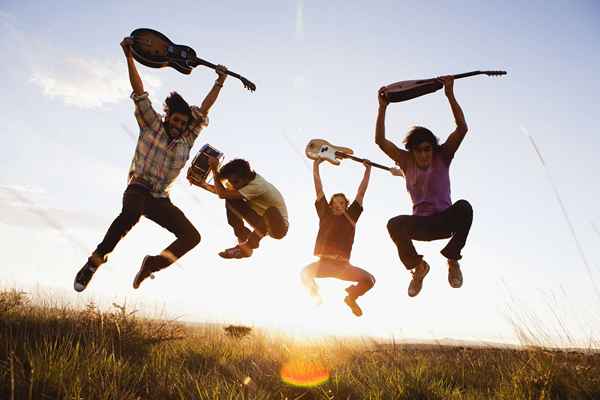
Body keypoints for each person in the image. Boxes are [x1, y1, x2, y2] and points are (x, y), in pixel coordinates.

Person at [73, 37, 229, 292]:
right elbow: (139, 91)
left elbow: (205, 108)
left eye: (182, 124)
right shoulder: (152, 124)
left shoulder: (187, 139)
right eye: (176, 121)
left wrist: (220, 81)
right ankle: (93, 262)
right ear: (168, 118)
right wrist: (129, 56)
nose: (179, 127)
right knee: (130, 215)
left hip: (160, 199)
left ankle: (152, 265)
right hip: (138, 189)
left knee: (192, 237)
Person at [375, 75, 473, 297]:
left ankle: (452, 258)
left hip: (444, 221)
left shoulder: (443, 156)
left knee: (464, 207)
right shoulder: (405, 161)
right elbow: (380, 142)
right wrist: (382, 108)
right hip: (420, 225)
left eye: (428, 149)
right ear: (412, 151)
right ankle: (418, 267)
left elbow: (462, 128)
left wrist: (449, 94)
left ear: (433, 149)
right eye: (418, 150)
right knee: (394, 224)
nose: (424, 154)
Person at [300, 159, 375, 317]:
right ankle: (316, 297)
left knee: (370, 280)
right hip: (324, 264)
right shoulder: (324, 214)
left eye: (342, 203)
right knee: (304, 273)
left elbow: (361, 193)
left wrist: (368, 170)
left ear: (346, 205)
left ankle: (351, 297)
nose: (339, 205)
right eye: (335, 202)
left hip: (343, 267)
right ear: (330, 205)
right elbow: (318, 189)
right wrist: (315, 165)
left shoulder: (351, 216)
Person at [189, 157, 288, 258]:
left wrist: (214, 170)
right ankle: (242, 236)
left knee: (271, 211)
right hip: (259, 222)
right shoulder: (243, 182)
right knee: (231, 199)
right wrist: (201, 184)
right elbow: (222, 193)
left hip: (278, 227)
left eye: (235, 182)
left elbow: (222, 194)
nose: (233, 185)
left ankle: (248, 246)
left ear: (246, 178)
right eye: (231, 182)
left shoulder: (258, 185)